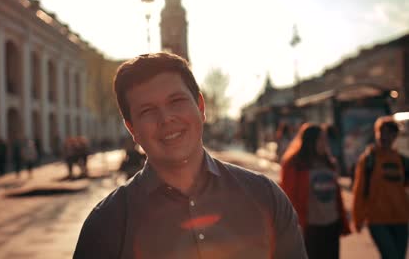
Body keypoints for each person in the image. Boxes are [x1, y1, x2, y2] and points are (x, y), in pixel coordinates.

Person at [74, 52, 307, 259]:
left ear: (201, 107)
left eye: (176, 101)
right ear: (132, 129)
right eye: (147, 110)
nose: (166, 119)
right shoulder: (105, 225)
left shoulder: (266, 197)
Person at [280, 123, 350, 259]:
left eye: (325, 139)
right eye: (321, 139)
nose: (325, 143)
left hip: (331, 225)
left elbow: (336, 196)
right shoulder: (294, 165)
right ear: (310, 141)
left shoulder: (329, 163)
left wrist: (342, 219)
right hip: (309, 227)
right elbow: (287, 198)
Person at [352, 116, 408, 259]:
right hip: (377, 220)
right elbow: (359, 190)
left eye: (390, 133)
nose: (385, 137)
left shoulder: (401, 161)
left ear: (395, 136)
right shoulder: (368, 160)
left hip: (401, 219)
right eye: (382, 132)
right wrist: (357, 218)